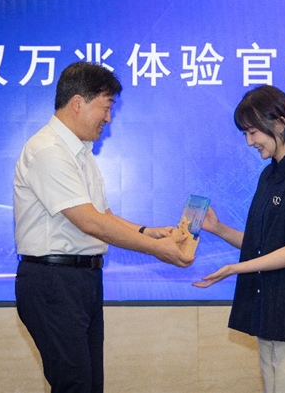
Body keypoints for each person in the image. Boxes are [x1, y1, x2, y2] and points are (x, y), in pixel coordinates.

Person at [13, 61, 193, 393]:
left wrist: (147, 232)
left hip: (81, 281)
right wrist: (157, 249)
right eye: (106, 107)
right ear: (78, 103)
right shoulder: (48, 150)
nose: (108, 118)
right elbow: (89, 221)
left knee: (90, 384)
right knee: (76, 385)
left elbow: (103, 214)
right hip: (54, 282)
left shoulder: (81, 153)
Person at [193, 85, 285, 393]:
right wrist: (218, 229)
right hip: (271, 317)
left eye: (253, 132)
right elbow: (261, 246)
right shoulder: (269, 175)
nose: (249, 142)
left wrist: (235, 268)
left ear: (280, 124)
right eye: (245, 133)